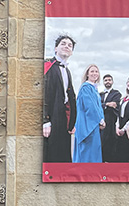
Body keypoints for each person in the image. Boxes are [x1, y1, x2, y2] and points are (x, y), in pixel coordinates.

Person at [43, 35, 76, 163]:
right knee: (51, 155)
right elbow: (42, 94)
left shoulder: (67, 71)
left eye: (70, 45)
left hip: (63, 120)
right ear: (56, 48)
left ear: (72, 52)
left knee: (63, 155)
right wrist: (45, 121)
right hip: (51, 118)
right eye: (63, 44)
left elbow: (70, 98)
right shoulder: (47, 66)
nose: (66, 46)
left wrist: (72, 122)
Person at [73, 65, 105, 164]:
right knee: (87, 152)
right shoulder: (85, 88)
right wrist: (101, 120)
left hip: (93, 124)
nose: (94, 73)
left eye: (96, 71)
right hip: (87, 124)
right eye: (92, 71)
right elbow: (90, 106)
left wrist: (102, 118)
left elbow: (98, 106)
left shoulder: (94, 89)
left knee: (93, 151)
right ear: (87, 73)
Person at [99, 74, 122, 162]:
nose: (108, 81)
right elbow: (96, 106)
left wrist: (102, 105)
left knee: (110, 144)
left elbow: (115, 105)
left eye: (109, 80)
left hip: (111, 122)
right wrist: (107, 104)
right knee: (100, 143)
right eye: (106, 80)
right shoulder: (99, 94)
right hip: (100, 122)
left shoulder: (116, 93)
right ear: (103, 82)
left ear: (112, 82)